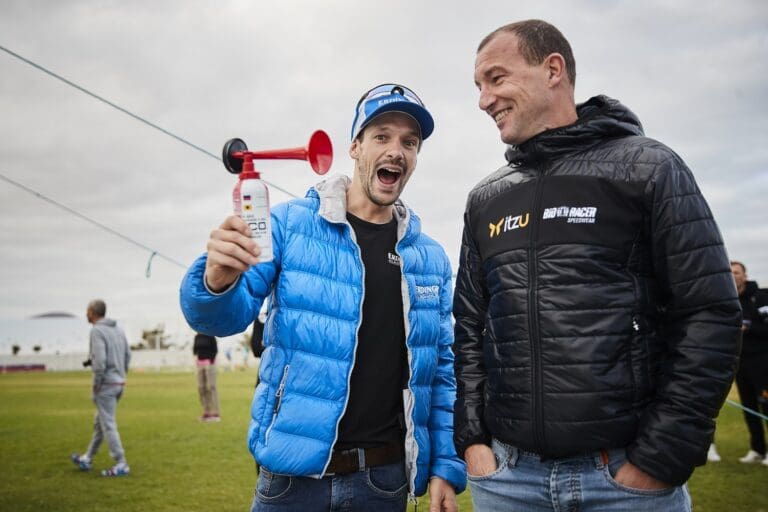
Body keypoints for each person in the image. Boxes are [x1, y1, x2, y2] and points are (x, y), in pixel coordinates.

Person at [452, 19, 742, 511]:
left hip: (623, 480)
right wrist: (475, 442)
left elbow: (709, 313)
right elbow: (471, 328)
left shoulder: (648, 168)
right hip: (508, 481)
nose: (483, 99)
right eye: (478, 86)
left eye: (495, 78)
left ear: (553, 70)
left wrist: (658, 459)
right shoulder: (487, 198)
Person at [180, 83, 466, 511]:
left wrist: (446, 462)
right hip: (291, 482)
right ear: (355, 147)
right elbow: (222, 319)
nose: (397, 151)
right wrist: (216, 280)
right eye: (382, 136)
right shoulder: (289, 226)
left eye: (410, 142)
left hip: (384, 481)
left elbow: (443, 369)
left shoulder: (430, 259)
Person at [70, 299, 132, 477]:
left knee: (108, 424)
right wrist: (122, 375)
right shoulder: (118, 329)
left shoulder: (96, 331)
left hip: (106, 385)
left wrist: (97, 385)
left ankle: (121, 463)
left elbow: (100, 362)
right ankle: (87, 457)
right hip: (119, 383)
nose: (86, 314)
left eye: (87, 311)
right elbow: (128, 355)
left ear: (93, 312)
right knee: (101, 423)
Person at [730, 261, 768, 466]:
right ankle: (757, 449)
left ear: (744, 276)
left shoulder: (760, 298)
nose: (732, 275)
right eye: (729, 272)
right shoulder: (728, 299)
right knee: (749, 408)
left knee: (766, 407)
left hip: (763, 365)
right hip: (740, 365)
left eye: (736, 272)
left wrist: (748, 329)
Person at [193, 332, 220, 422]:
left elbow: (215, 350)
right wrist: (197, 360)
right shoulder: (197, 336)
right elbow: (195, 350)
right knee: (201, 388)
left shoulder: (211, 335)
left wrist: (211, 361)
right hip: (200, 365)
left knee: (211, 387)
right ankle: (206, 411)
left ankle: (215, 412)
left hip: (210, 364)